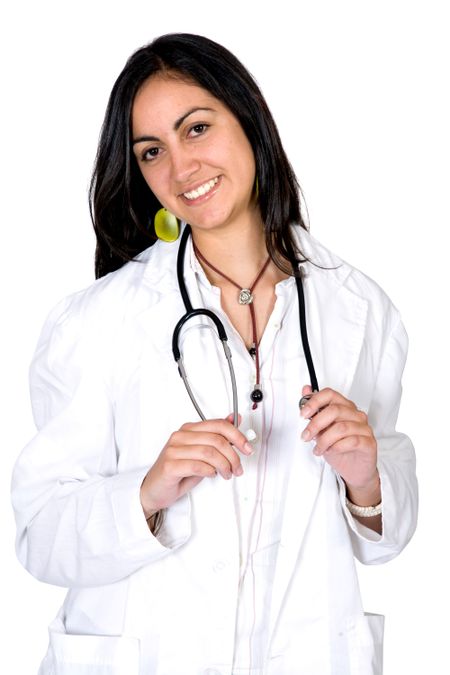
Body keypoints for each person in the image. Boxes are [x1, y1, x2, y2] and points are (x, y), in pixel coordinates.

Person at [11, 33, 417, 675]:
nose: (180, 169)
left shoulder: (359, 310)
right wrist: (147, 491)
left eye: (196, 129)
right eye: (152, 152)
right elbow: (40, 536)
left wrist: (366, 477)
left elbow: (385, 537)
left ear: (249, 120)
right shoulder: (99, 320)